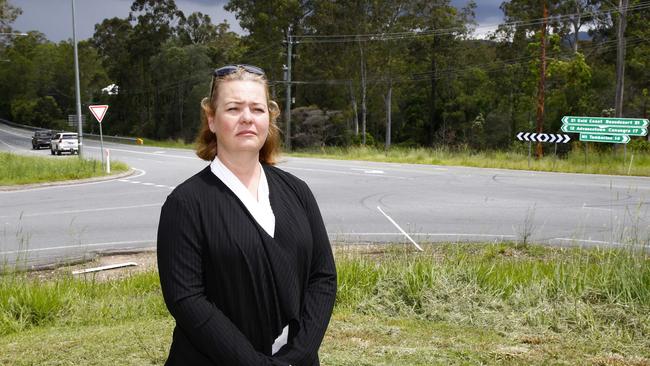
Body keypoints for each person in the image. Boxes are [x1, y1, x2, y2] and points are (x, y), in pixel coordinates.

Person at [157, 64, 337, 366]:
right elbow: (186, 299)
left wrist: (300, 355)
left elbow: (323, 277)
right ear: (211, 119)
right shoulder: (186, 203)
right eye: (233, 108)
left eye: (257, 108)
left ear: (270, 117)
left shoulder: (298, 192)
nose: (247, 118)